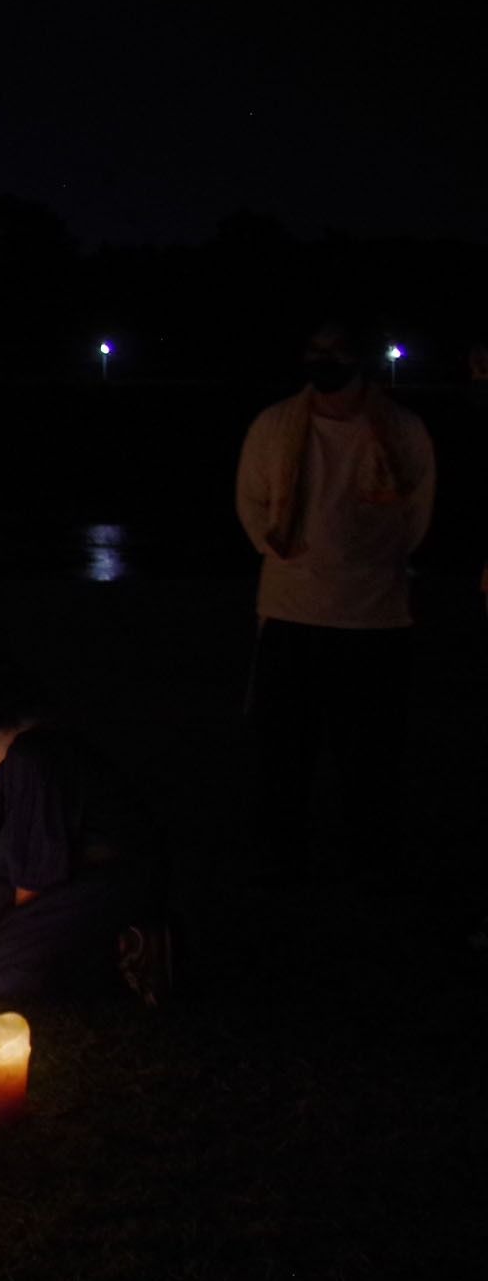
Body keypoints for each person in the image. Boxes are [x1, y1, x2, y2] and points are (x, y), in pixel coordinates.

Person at [233, 323, 435, 886]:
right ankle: (282, 860)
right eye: (314, 352)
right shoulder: (275, 426)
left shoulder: (401, 429)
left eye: (335, 353)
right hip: (292, 611)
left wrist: (370, 559)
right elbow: (252, 504)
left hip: (376, 615)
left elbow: (416, 514)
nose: (322, 361)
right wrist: (291, 556)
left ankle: (370, 859)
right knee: (283, 753)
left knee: (370, 754)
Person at [0, 632, 163, 1002]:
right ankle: (15, 954)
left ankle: (120, 948)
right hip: (64, 876)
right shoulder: (15, 747)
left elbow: (37, 878)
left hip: (103, 884)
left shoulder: (33, 757)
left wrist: (16, 936)